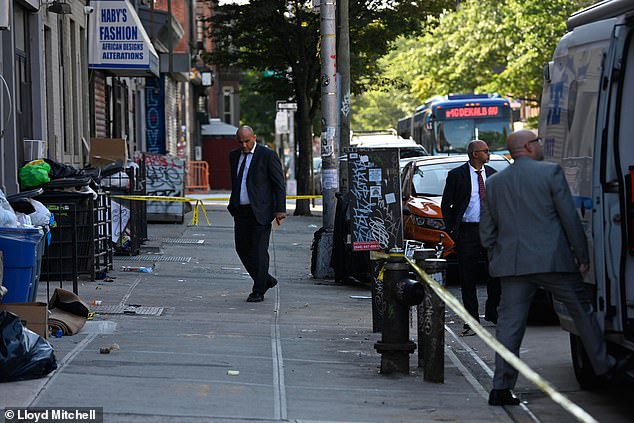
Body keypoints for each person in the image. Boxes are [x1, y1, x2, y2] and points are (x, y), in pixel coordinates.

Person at [480, 129, 624, 406]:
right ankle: (604, 368)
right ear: (529, 147)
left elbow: (487, 232)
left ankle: (500, 388)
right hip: (552, 261)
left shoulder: (495, 182)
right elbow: (569, 217)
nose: (541, 145)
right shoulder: (550, 173)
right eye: (537, 141)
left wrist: (498, 253)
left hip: (511, 265)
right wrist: (581, 253)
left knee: (510, 326)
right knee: (582, 312)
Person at [441, 140, 501, 337]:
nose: (488, 153)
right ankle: (472, 320)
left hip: (490, 230)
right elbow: (446, 204)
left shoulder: (492, 174)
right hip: (468, 231)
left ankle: (492, 311)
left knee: (496, 272)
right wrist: (453, 231)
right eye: (485, 151)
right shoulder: (457, 175)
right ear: (475, 154)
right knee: (468, 277)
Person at [227, 125, 287, 302]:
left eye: (247, 141)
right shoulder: (234, 156)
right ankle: (266, 279)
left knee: (260, 251)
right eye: (241, 142)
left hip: (261, 211)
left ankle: (258, 290)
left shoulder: (267, 155)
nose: (244, 145)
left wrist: (280, 210)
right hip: (241, 210)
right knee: (242, 249)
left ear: (254, 137)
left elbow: (278, 184)